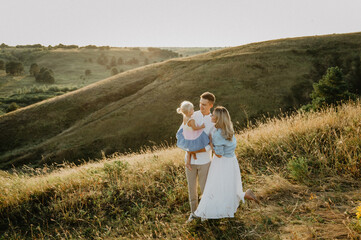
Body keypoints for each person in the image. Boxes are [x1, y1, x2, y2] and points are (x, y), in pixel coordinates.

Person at [193, 106, 259, 220]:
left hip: (221, 162)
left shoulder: (218, 134)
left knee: (217, 186)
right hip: (231, 161)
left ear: (218, 118)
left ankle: (213, 211)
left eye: (213, 115)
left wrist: (210, 142)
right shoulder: (229, 129)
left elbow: (218, 154)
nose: (211, 116)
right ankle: (244, 195)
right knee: (229, 185)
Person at [176, 92, 216, 223]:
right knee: (191, 190)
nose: (201, 106)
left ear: (211, 105)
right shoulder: (193, 115)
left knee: (205, 189)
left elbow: (213, 143)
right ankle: (193, 213)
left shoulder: (213, 121)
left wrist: (199, 150)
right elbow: (184, 133)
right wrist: (189, 153)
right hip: (190, 161)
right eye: (200, 104)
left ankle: (205, 213)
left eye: (204, 105)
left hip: (205, 161)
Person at [176, 100, 210, 171]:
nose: (193, 111)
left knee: (189, 150)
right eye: (192, 109)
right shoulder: (192, 120)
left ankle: (188, 162)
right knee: (200, 141)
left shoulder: (184, 117)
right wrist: (201, 126)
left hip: (186, 135)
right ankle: (191, 159)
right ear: (189, 112)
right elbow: (195, 128)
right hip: (192, 136)